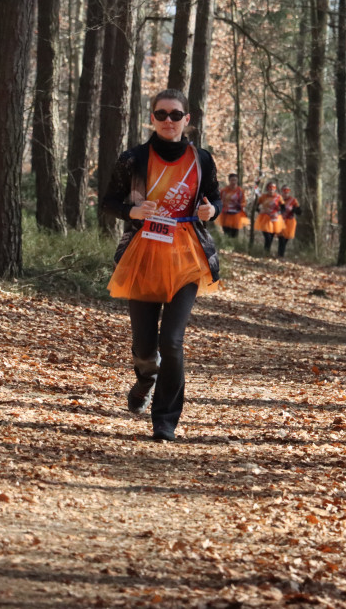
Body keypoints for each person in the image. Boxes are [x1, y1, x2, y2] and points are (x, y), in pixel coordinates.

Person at [102, 88, 221, 443]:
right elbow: (109, 200)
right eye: (160, 114)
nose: (167, 121)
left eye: (174, 115)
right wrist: (131, 211)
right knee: (143, 345)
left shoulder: (202, 159)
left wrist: (211, 210)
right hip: (143, 255)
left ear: (187, 120)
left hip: (186, 256)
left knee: (171, 340)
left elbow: (213, 196)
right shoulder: (133, 159)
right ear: (151, 118)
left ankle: (165, 421)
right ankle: (145, 378)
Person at [254, 182, 285, 254]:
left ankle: (267, 253)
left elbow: (283, 209)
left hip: (275, 219)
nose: (271, 189)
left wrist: (278, 213)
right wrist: (260, 210)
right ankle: (266, 253)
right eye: (270, 188)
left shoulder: (279, 197)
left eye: (273, 188)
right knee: (267, 237)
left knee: (271, 237)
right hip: (265, 218)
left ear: (275, 189)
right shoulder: (263, 197)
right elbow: (256, 207)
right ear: (267, 188)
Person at [216, 173, 249, 238]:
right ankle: (227, 247)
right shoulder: (224, 191)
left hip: (236, 215)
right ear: (229, 180)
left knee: (234, 234)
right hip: (225, 214)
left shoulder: (240, 191)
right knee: (226, 233)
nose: (233, 182)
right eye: (232, 180)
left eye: (235, 180)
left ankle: (234, 246)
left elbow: (243, 202)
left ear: (237, 181)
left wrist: (240, 205)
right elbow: (219, 201)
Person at [275, 187, 302, 258]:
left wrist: (294, 210)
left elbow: (299, 212)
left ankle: (280, 254)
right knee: (281, 239)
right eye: (284, 191)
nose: (286, 192)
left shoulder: (293, 200)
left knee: (286, 239)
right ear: (281, 192)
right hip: (280, 221)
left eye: (287, 191)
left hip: (290, 222)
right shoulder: (278, 200)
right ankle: (280, 255)